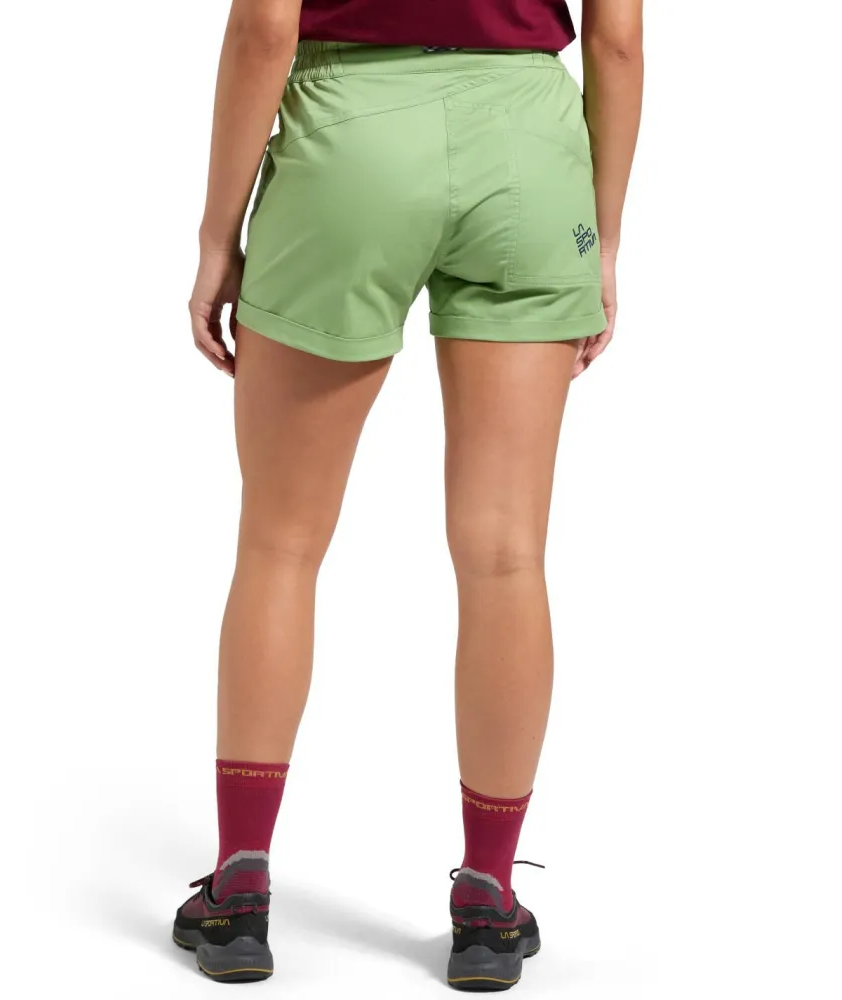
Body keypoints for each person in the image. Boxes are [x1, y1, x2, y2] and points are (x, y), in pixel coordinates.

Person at [174, 0, 643, 988]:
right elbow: (616, 39)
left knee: (280, 542)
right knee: (505, 553)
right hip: (527, 147)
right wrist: (602, 237)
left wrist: (218, 234)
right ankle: (488, 900)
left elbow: (264, 30)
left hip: (350, 137)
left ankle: (240, 889)